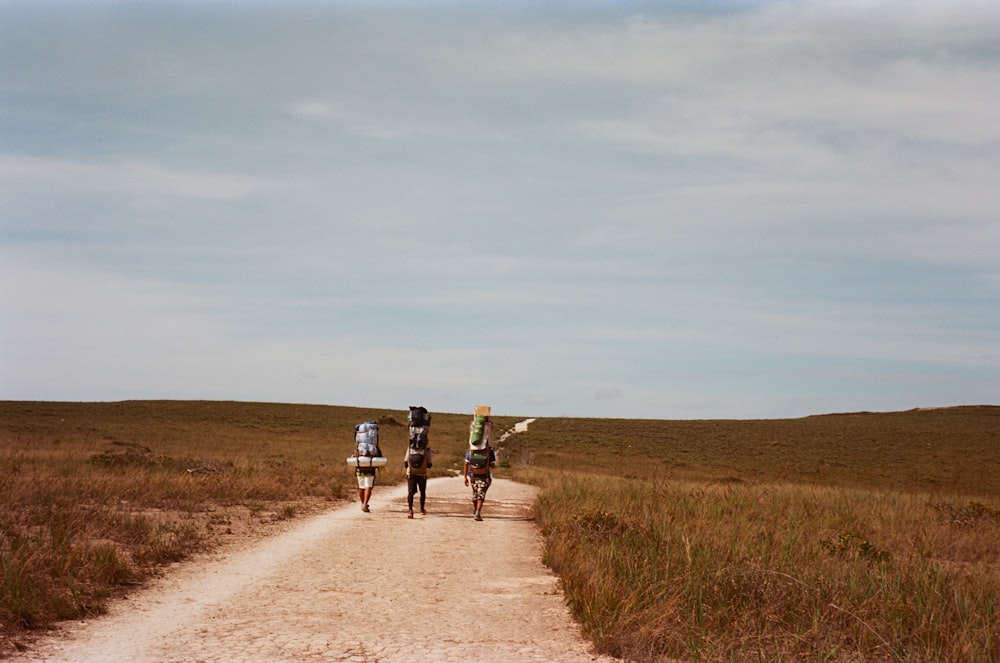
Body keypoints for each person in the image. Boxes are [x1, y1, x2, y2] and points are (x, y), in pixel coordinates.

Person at [463, 444, 496, 521]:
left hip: (473, 476)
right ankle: (478, 512)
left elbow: (466, 463)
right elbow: (492, 465)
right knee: (481, 494)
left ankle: (476, 510)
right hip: (484, 476)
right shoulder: (489, 451)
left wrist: (465, 477)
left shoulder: (471, 451)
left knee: (475, 494)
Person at [403, 445, 433, 518]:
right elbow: (429, 465)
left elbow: (405, 463)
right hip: (422, 474)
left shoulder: (410, 448)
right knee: (422, 492)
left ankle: (410, 510)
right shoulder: (427, 450)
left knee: (410, 492)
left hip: (411, 473)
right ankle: (422, 509)